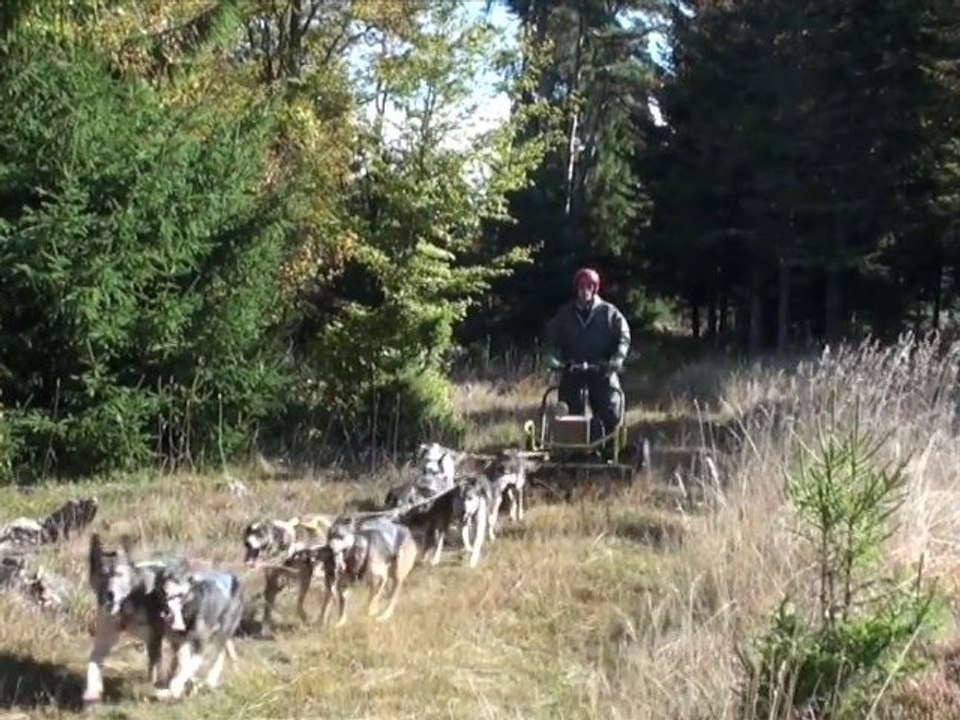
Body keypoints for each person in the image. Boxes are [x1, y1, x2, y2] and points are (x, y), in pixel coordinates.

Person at [544, 267, 631, 449]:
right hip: (572, 371)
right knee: (565, 412)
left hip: (602, 371)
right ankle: (570, 450)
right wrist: (552, 358)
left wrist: (618, 358)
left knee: (611, 409)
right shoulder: (565, 315)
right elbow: (552, 339)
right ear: (576, 288)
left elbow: (623, 337)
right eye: (581, 286)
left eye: (589, 286)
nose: (585, 291)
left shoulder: (609, 313)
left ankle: (608, 448)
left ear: (595, 288)